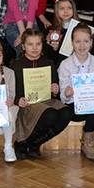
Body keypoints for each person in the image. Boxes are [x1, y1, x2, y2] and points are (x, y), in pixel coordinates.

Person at [58, 23, 94, 161]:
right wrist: (67, 93)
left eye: (85, 41)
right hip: (74, 106)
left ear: (91, 43)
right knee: (93, 107)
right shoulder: (65, 65)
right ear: (72, 43)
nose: (82, 45)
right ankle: (87, 142)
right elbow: (63, 97)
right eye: (77, 41)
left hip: (92, 104)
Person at [12, 29, 71, 159]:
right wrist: (17, 100)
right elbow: (10, 90)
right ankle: (22, 143)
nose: (34, 48)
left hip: (46, 101)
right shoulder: (16, 66)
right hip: (28, 104)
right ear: (23, 46)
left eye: (38, 44)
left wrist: (55, 89)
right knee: (49, 114)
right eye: (30, 44)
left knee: (66, 113)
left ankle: (36, 142)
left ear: (42, 45)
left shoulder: (49, 63)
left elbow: (55, 88)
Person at [44, 0, 79, 65]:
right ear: (57, 10)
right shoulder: (53, 30)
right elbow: (50, 57)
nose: (66, 11)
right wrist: (54, 48)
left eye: (69, 8)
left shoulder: (80, 28)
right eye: (62, 8)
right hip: (60, 65)